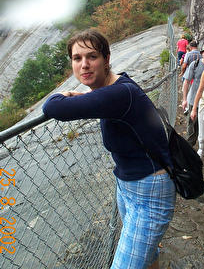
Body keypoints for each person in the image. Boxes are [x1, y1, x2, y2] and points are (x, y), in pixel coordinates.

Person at [42, 29, 176, 269]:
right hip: (127, 186)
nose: (84, 65)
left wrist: (68, 95)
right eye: (77, 58)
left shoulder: (120, 93)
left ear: (106, 59)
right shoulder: (113, 87)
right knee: (148, 253)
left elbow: (53, 108)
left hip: (150, 190)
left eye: (92, 57)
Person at [181, 44, 204, 147]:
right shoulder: (194, 65)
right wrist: (184, 99)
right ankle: (189, 149)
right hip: (193, 100)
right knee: (192, 127)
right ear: (202, 54)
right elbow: (186, 82)